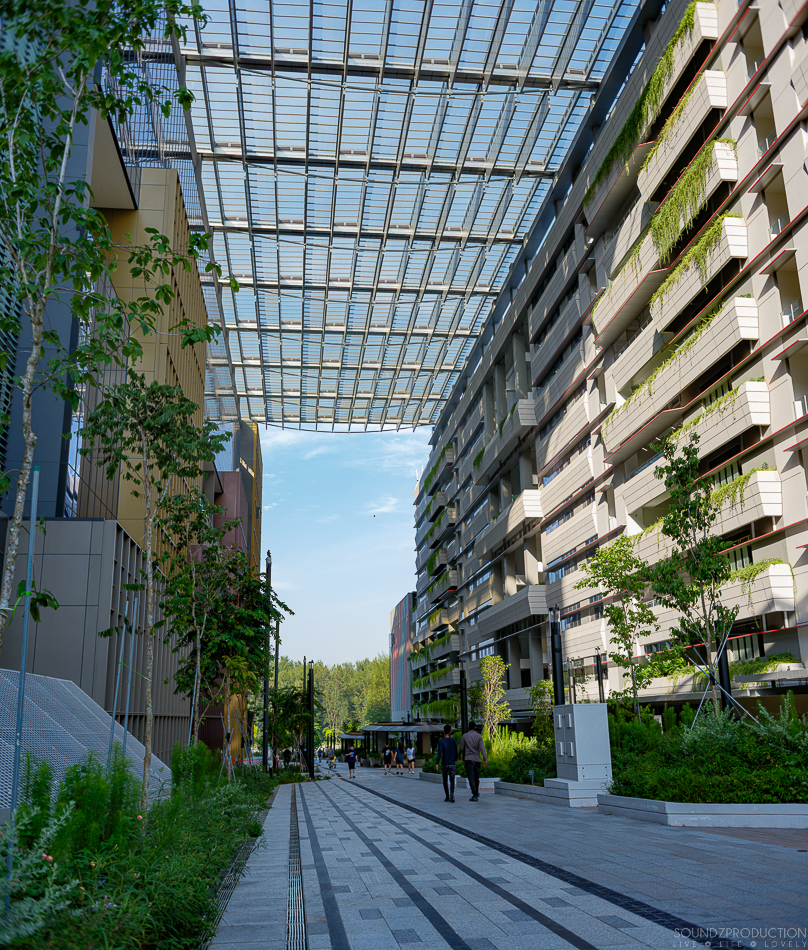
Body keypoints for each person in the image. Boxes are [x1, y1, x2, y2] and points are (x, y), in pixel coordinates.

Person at [460, 721, 488, 802]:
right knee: (476, 777)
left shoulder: (465, 736)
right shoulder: (479, 736)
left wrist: (459, 756)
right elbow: (482, 749)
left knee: (471, 777)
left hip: (468, 759)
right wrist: (485, 759)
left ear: (468, 727)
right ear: (475, 727)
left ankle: (475, 793)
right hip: (477, 759)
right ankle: (476, 791)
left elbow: (461, 748)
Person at [435, 724, 458, 802]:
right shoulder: (453, 740)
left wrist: (437, 763)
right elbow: (456, 751)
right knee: (452, 779)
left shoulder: (441, 741)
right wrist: (456, 759)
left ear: (443, 731)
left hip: (444, 763)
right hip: (452, 762)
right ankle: (452, 794)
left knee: (445, 780)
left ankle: (447, 796)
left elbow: (439, 753)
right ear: (450, 732)